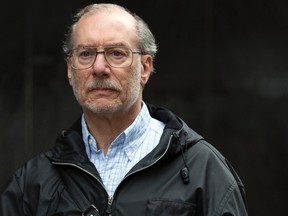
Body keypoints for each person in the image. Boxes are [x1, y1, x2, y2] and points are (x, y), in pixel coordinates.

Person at [0, 3, 248, 216]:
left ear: (145, 68)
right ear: (69, 70)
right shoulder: (33, 183)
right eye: (85, 54)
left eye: (116, 53)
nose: (99, 67)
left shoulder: (203, 171)